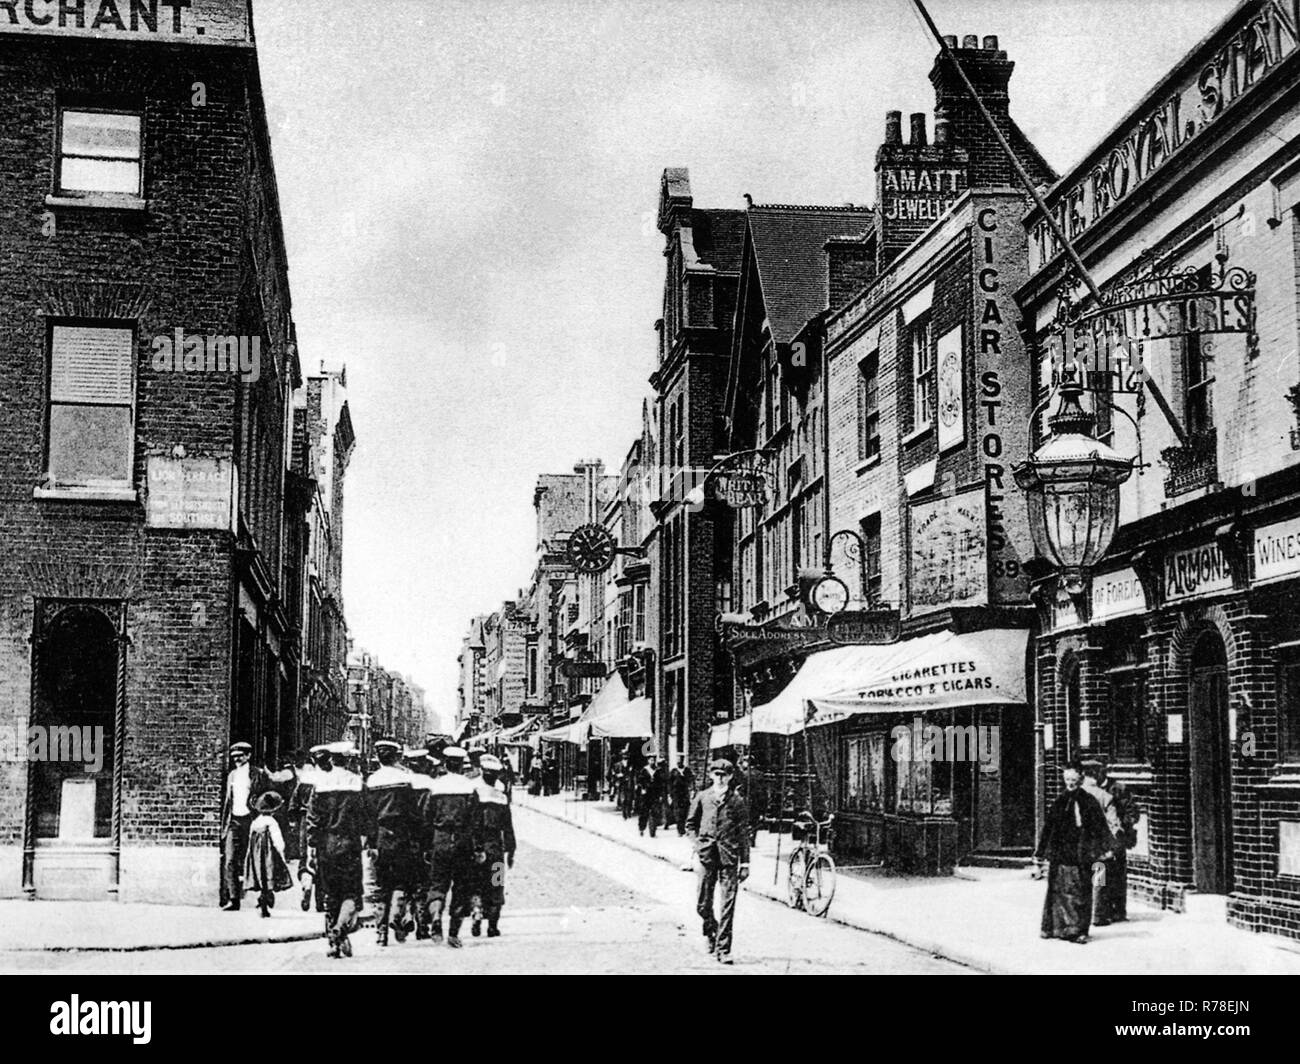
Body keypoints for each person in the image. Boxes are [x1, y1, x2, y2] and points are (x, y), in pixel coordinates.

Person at [1035, 764, 1114, 944]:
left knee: (1079, 892)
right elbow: (1049, 828)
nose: (1070, 783)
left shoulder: (1089, 801)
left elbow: (1100, 826)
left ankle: (1077, 930)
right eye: (1067, 780)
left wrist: (1105, 847)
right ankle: (1056, 928)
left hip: (1081, 853)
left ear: (1080, 780)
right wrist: (1040, 852)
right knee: (1058, 892)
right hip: (1061, 853)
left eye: (1073, 780)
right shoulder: (1059, 801)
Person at [305, 741, 368, 958]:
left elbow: (312, 819)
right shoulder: (357, 783)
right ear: (349, 759)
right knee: (351, 894)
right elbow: (366, 816)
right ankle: (339, 931)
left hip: (326, 845)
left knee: (331, 894)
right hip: (350, 844)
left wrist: (312, 847)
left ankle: (334, 941)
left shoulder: (320, 784)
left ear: (331, 758)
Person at [687, 758, 750, 965]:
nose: (720, 778)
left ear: (731, 777)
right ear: (711, 776)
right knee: (702, 904)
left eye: (725, 775)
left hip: (729, 858)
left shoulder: (737, 801)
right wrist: (697, 845)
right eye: (717, 774)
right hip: (707, 856)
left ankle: (724, 949)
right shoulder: (702, 797)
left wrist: (745, 863)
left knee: (728, 904)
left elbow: (743, 834)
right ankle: (711, 929)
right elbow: (690, 824)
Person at [425, 746, 485, 947]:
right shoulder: (469, 788)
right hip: (462, 842)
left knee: (437, 885)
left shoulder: (435, 787)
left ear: (445, 764)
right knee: (461, 888)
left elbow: (427, 817)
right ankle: (453, 933)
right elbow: (476, 822)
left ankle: (435, 917)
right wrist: (478, 848)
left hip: (440, 841)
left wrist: (428, 845)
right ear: (461, 765)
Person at [366, 739, 420, 947]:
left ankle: (380, 933)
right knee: (402, 881)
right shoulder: (405, 780)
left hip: (380, 837)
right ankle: (395, 918)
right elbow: (414, 814)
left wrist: (370, 842)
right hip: (402, 836)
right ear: (396, 756)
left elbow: (368, 815)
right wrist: (416, 838)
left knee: (380, 885)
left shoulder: (371, 781)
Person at [220, 741, 270, 910]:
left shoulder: (258, 774)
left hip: (252, 820)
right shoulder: (232, 775)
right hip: (234, 821)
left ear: (248, 756)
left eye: (240, 756)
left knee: (257, 858)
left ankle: (264, 896)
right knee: (230, 859)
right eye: (234, 757)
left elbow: (268, 797)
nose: (236, 759)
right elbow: (228, 801)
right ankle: (234, 899)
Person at [473, 754, 517, 938]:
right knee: (496, 884)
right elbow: (508, 827)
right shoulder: (501, 797)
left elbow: (471, 823)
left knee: (476, 883)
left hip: (478, 848)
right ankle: (492, 925)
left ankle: (476, 912)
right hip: (496, 848)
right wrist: (511, 850)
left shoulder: (473, 793)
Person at [1092, 756, 1140, 923]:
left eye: (1097, 771)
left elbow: (1132, 813)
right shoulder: (1090, 789)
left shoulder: (1119, 788)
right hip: (1099, 841)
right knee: (1100, 874)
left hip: (1117, 839)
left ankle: (1118, 911)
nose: (1093, 775)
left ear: (1104, 771)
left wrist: (1120, 826)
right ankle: (1100, 912)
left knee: (1118, 875)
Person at [1080, 758, 1124, 928]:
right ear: (1096, 775)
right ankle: (1097, 915)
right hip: (1099, 846)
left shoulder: (1073, 794)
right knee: (1099, 879)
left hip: (1079, 844)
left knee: (1081, 879)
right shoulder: (1105, 797)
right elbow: (1114, 824)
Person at [244, 791, 292, 918]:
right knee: (270, 876)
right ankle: (266, 899)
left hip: (256, 857)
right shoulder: (272, 822)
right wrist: (282, 853)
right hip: (269, 856)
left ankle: (263, 900)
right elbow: (278, 840)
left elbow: (250, 839)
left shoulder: (255, 822)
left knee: (261, 878)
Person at [635, 757, 661, 837]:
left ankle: (653, 831)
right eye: (650, 760)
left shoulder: (658, 770)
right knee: (644, 811)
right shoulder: (644, 770)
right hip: (646, 794)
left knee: (655, 812)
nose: (652, 762)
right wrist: (642, 788)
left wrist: (660, 794)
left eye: (653, 760)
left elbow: (661, 783)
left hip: (655, 794)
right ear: (648, 761)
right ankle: (641, 828)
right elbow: (639, 781)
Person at [669, 757, 694, 836]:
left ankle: (684, 827)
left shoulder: (687, 771)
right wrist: (669, 794)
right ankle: (680, 830)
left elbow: (691, 781)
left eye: (680, 761)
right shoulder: (673, 771)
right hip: (676, 794)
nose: (679, 763)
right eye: (677, 761)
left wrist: (692, 790)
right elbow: (669, 783)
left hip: (685, 793)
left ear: (683, 761)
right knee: (678, 812)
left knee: (685, 811)